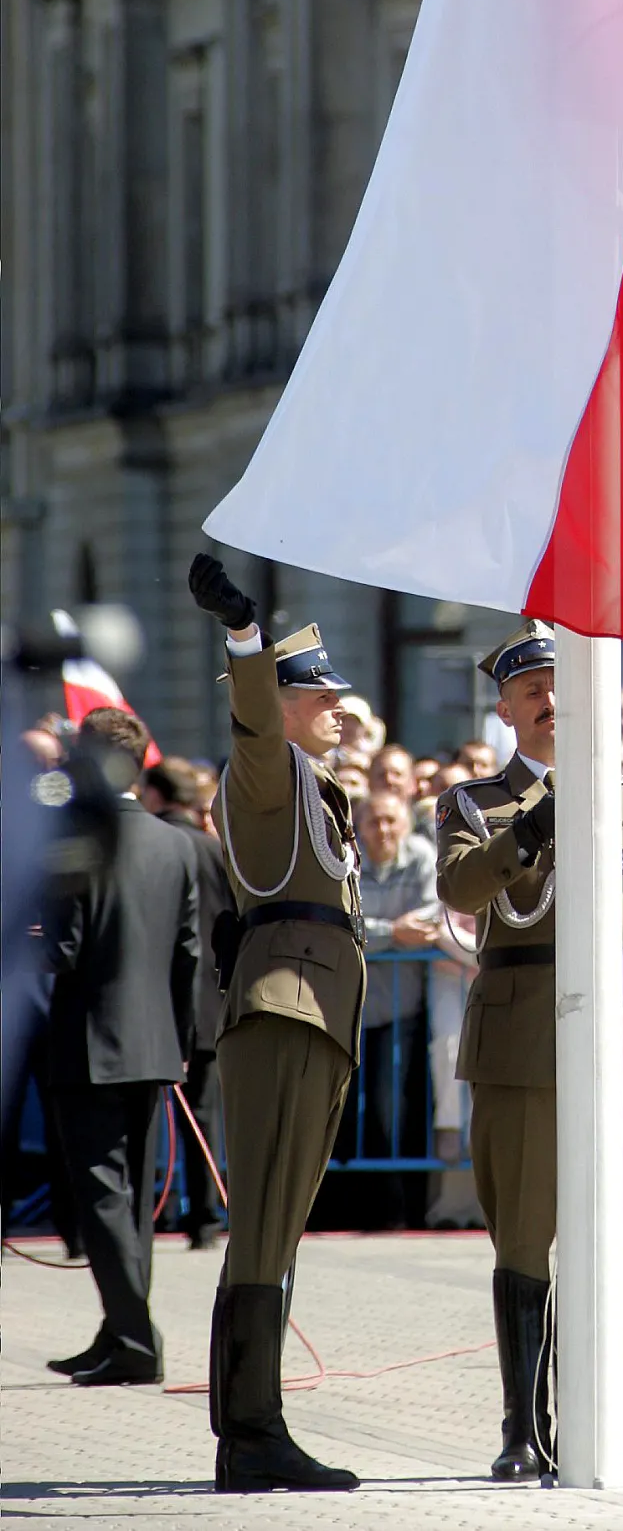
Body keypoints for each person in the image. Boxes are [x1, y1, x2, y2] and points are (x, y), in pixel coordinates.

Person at [435, 619, 623, 1483]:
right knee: (521, 1237)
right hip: (518, 1039)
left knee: (598, 1234)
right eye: (532, 689)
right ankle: (522, 1426)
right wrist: (530, 831)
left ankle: (593, 1422)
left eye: (561, 684)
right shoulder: (473, 802)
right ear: (505, 708)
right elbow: (462, 886)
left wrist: (603, 913)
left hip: (608, 1035)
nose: (551, 699)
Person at [188, 552, 363, 1494]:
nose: (340, 710)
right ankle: (252, 1433)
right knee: (263, 1226)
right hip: (285, 1005)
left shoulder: (316, 784)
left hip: (316, 1011)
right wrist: (246, 636)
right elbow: (253, 724)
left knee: (278, 1226)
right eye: (322, 697)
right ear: (283, 705)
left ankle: (252, 1428)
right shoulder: (267, 769)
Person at [43, 708, 199, 1386]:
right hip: (154, 1042)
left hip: (89, 1041)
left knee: (103, 1198)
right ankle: (119, 1335)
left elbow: (64, 947)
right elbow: (190, 953)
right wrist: (182, 1043)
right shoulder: (176, 842)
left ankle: (135, 1337)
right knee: (131, 1203)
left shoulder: (77, 838)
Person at [141, 756, 235, 1249]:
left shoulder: (151, 845)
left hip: (156, 995)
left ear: (156, 796)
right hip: (208, 999)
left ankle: (142, 1216)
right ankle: (204, 1220)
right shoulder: (213, 849)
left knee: (145, 1112)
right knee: (203, 1113)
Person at [343, 792, 439, 1229]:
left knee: (390, 1111)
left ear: (405, 824)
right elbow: (342, 922)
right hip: (351, 1009)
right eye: (373, 822)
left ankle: (397, 1212)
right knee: (350, 1112)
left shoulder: (420, 856)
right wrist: (392, 933)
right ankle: (353, 1210)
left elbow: (430, 918)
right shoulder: (347, 862)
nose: (382, 830)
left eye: (390, 821)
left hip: (401, 1009)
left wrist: (376, 937)